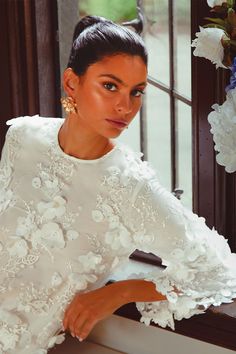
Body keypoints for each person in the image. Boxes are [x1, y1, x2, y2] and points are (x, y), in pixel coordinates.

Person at [0, 15, 236, 354]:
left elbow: (219, 271)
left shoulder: (131, 187)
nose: (126, 106)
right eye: (110, 86)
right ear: (71, 83)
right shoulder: (23, 137)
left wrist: (118, 292)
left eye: (136, 92)